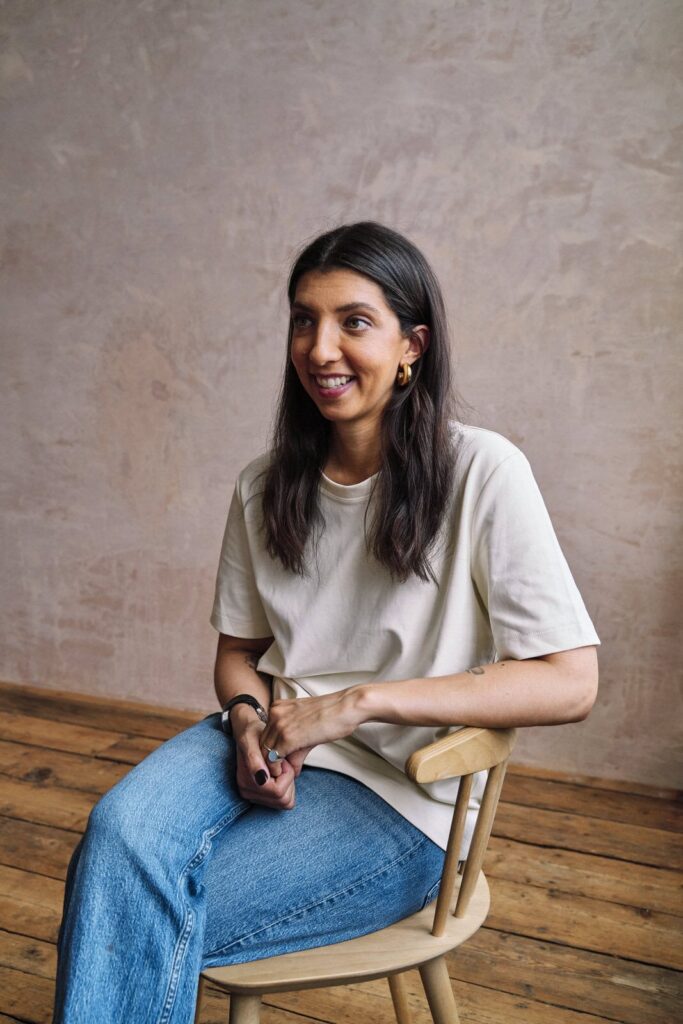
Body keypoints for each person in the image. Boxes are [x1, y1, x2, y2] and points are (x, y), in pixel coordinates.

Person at [52, 222, 600, 1023]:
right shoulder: (264, 484)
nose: (320, 348)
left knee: (134, 906)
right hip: (271, 738)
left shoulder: (483, 471)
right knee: (116, 838)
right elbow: (239, 654)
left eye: (354, 321)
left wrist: (358, 703)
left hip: (401, 799)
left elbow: (570, 681)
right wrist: (245, 720)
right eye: (303, 320)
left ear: (411, 345)